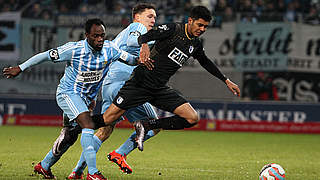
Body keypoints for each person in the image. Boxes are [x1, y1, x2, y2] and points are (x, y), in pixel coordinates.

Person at [2, 18, 140, 180]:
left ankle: (44, 166)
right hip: (68, 94)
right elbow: (45, 55)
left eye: (102, 35)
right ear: (87, 35)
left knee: (70, 135)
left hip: (86, 100)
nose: (100, 39)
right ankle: (93, 173)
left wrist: (147, 58)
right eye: (95, 36)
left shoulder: (110, 49)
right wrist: (20, 67)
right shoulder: (74, 49)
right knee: (88, 125)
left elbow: (131, 59)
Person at [99, 5, 241, 152]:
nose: (202, 29)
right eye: (200, 25)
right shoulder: (173, 29)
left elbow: (205, 62)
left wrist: (226, 80)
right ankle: (76, 127)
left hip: (159, 88)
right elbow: (145, 36)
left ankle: (147, 125)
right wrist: (144, 46)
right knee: (107, 119)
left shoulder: (195, 44)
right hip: (140, 83)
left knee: (192, 118)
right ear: (190, 20)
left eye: (205, 27)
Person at [67, 3, 159, 179]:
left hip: (110, 85)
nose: (153, 20)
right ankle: (120, 153)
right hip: (124, 87)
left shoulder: (123, 34)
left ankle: (77, 171)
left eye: (155, 17)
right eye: (150, 16)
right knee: (153, 124)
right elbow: (134, 41)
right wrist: (155, 40)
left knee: (104, 131)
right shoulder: (137, 27)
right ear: (137, 17)